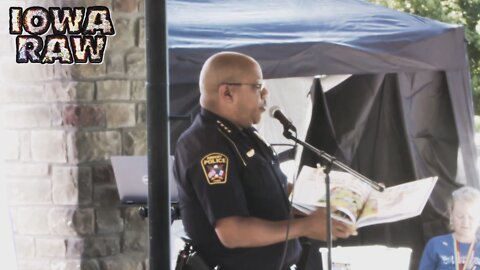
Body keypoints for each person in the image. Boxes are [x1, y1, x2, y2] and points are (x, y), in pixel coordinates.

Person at [173, 51, 357, 270]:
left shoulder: (243, 134)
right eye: (257, 86)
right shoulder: (207, 147)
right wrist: (305, 226)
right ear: (227, 93)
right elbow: (232, 232)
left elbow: (273, 191)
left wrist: (326, 202)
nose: (266, 93)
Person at [419, 186, 480, 270]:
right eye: (460, 216)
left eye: (471, 217)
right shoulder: (435, 245)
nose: (465, 222)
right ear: (451, 215)